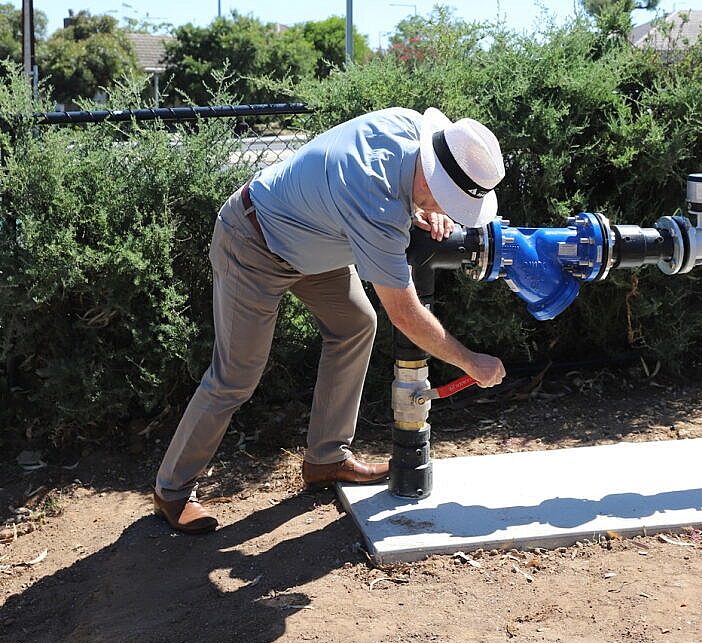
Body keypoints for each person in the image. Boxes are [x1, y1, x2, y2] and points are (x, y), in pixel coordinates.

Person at [153, 106, 507, 534]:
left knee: (355, 325)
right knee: (235, 377)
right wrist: (470, 361)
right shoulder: (375, 203)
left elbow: (406, 191)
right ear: (432, 175)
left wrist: (425, 206)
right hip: (253, 243)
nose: (447, 209)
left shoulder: (412, 129)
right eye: (449, 199)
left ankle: (326, 459)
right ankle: (171, 490)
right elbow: (406, 314)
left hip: (316, 241)